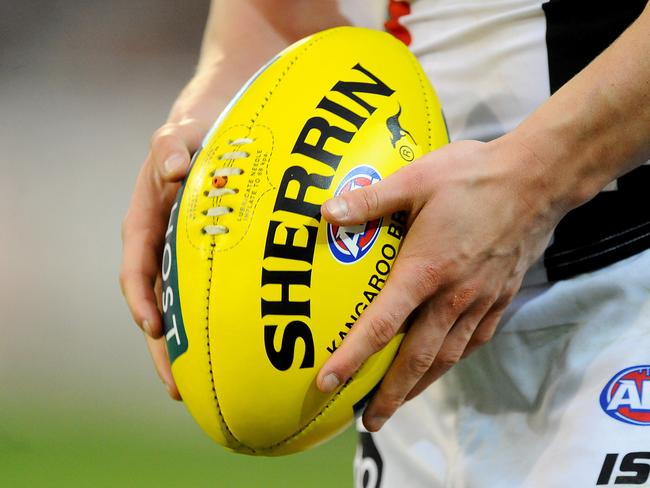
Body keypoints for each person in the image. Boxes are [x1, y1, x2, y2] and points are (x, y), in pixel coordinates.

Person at [120, 1, 650, 486]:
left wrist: (538, 175)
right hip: (402, 340)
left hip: (626, 292)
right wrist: (219, 119)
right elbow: (274, 14)